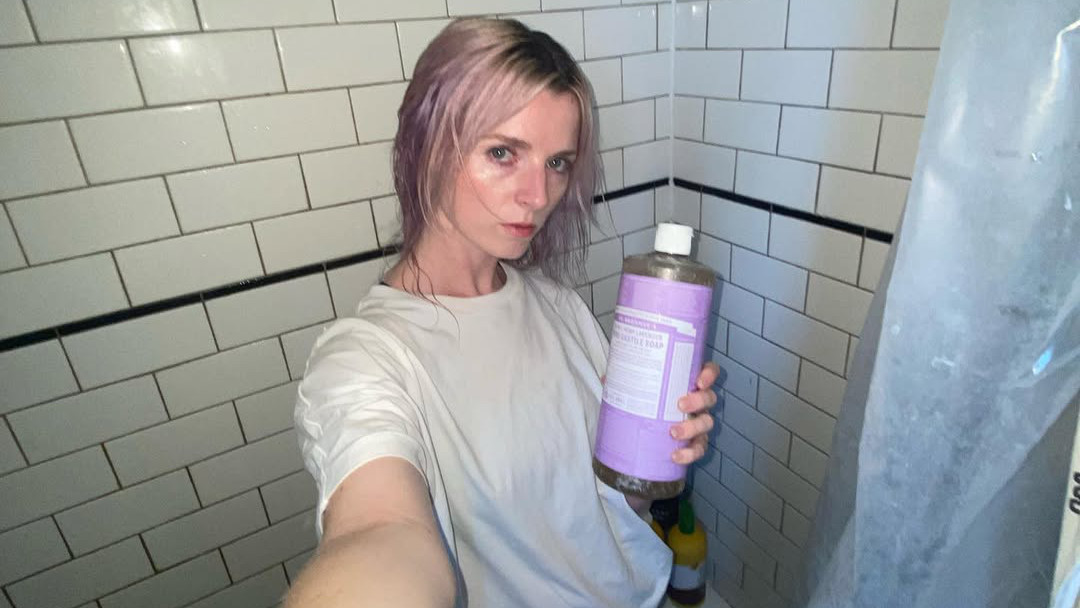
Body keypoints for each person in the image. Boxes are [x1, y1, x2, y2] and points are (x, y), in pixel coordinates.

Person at [286, 18, 719, 608]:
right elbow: (381, 530)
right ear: (426, 146)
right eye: (502, 152)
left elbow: (610, 508)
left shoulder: (560, 307)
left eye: (557, 163)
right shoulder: (366, 359)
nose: (538, 196)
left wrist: (656, 454)